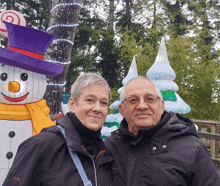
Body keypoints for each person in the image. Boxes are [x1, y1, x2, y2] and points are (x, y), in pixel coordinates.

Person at [105, 76, 220, 186]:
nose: (142, 106)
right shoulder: (110, 147)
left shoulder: (191, 149)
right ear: (122, 110)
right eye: (133, 100)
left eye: (150, 99)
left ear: (161, 106)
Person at [3, 73, 114, 186]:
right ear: (72, 104)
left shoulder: (105, 154)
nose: (97, 108)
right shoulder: (41, 146)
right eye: (90, 100)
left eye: (104, 103)